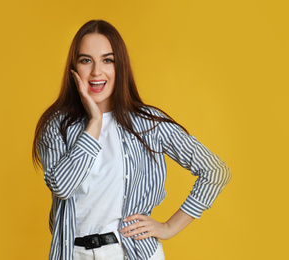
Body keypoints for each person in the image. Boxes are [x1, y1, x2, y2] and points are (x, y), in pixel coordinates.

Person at [32, 20, 231, 260]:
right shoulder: (56, 126)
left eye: (108, 60)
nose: (96, 71)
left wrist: (169, 227)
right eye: (86, 60)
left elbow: (215, 171)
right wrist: (94, 122)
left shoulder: (148, 123)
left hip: (131, 253)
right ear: (73, 67)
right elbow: (62, 187)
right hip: (73, 253)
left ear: (121, 66)